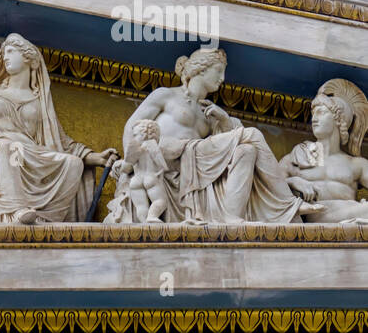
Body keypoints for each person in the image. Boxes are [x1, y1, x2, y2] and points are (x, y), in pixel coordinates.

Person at [115, 46, 315, 224]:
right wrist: (130, 161)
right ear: (200, 69)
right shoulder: (166, 95)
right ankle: (288, 202)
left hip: (192, 162)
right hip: (165, 156)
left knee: (246, 150)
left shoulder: (208, 113)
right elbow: (131, 126)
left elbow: (225, 151)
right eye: (218, 72)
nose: (222, 79)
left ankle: (232, 216)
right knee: (252, 133)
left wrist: (224, 119)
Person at [0, 33, 116, 223]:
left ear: (29, 59)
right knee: (7, 147)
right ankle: (17, 210)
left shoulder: (39, 102)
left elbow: (63, 143)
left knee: (73, 163)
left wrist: (95, 158)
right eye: (4, 52)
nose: (4, 56)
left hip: (33, 155)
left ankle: (47, 220)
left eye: (10, 51)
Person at [279, 79, 368, 223]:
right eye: (314, 113)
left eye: (321, 112)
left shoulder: (356, 164)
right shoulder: (298, 156)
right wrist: (292, 181)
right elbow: (268, 188)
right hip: (313, 219)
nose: (314, 119)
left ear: (338, 120)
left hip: (347, 220)